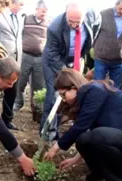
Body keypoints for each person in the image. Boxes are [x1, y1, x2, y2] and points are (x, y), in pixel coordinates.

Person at [44, 69, 122, 181]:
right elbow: (89, 134)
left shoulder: (94, 90)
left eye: (63, 94)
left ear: (74, 88)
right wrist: (75, 159)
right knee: (83, 140)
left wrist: (56, 147)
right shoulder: (91, 97)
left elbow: (82, 126)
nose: (64, 99)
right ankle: (99, 174)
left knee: (97, 136)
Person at [40, 2, 101, 140]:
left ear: (84, 17)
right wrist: (68, 75)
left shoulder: (93, 18)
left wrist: (89, 66)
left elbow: (90, 43)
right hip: (53, 62)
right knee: (54, 94)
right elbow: (53, 55)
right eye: (70, 22)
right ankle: (45, 132)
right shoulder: (54, 27)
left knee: (67, 96)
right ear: (66, 14)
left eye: (77, 22)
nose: (74, 25)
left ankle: (56, 131)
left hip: (72, 59)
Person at [13, 0, 49, 116]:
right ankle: (18, 103)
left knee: (39, 85)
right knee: (20, 81)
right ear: (37, 9)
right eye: (42, 11)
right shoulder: (26, 19)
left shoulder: (48, 22)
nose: (44, 14)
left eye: (46, 12)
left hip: (40, 58)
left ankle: (37, 109)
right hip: (26, 55)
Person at [0, 0, 25, 130]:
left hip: (16, 61)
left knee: (12, 91)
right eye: (21, 4)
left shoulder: (20, 17)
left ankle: (7, 119)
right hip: (1, 61)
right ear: (13, 2)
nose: (22, 7)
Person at [92, 0, 122, 87]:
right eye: (120, 9)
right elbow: (94, 33)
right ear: (116, 5)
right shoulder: (103, 14)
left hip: (119, 60)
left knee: (115, 89)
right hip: (101, 58)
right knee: (98, 86)